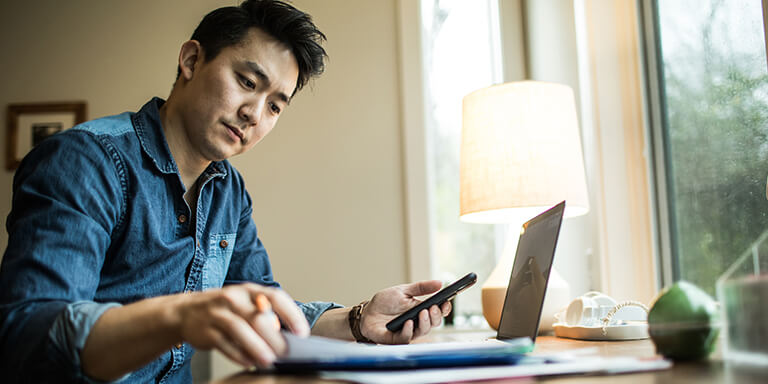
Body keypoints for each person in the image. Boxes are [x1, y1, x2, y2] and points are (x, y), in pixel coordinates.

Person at [0, 1, 451, 382]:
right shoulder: (84, 161)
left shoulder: (228, 191)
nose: (255, 113)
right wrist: (177, 316)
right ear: (192, 61)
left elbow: (265, 308)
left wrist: (361, 319)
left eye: (275, 105)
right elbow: (29, 335)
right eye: (247, 83)